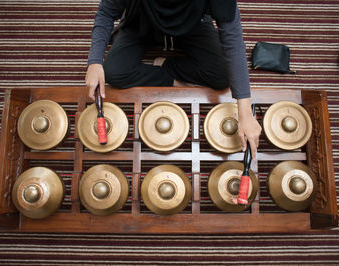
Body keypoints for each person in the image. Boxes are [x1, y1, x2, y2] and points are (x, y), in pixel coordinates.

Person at [85, 0, 262, 158]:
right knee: (114, 71)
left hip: (192, 23)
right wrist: (94, 61)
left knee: (223, 76)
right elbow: (106, 12)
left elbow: (232, 37)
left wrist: (245, 113)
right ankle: (171, 77)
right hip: (142, 22)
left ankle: (169, 66)